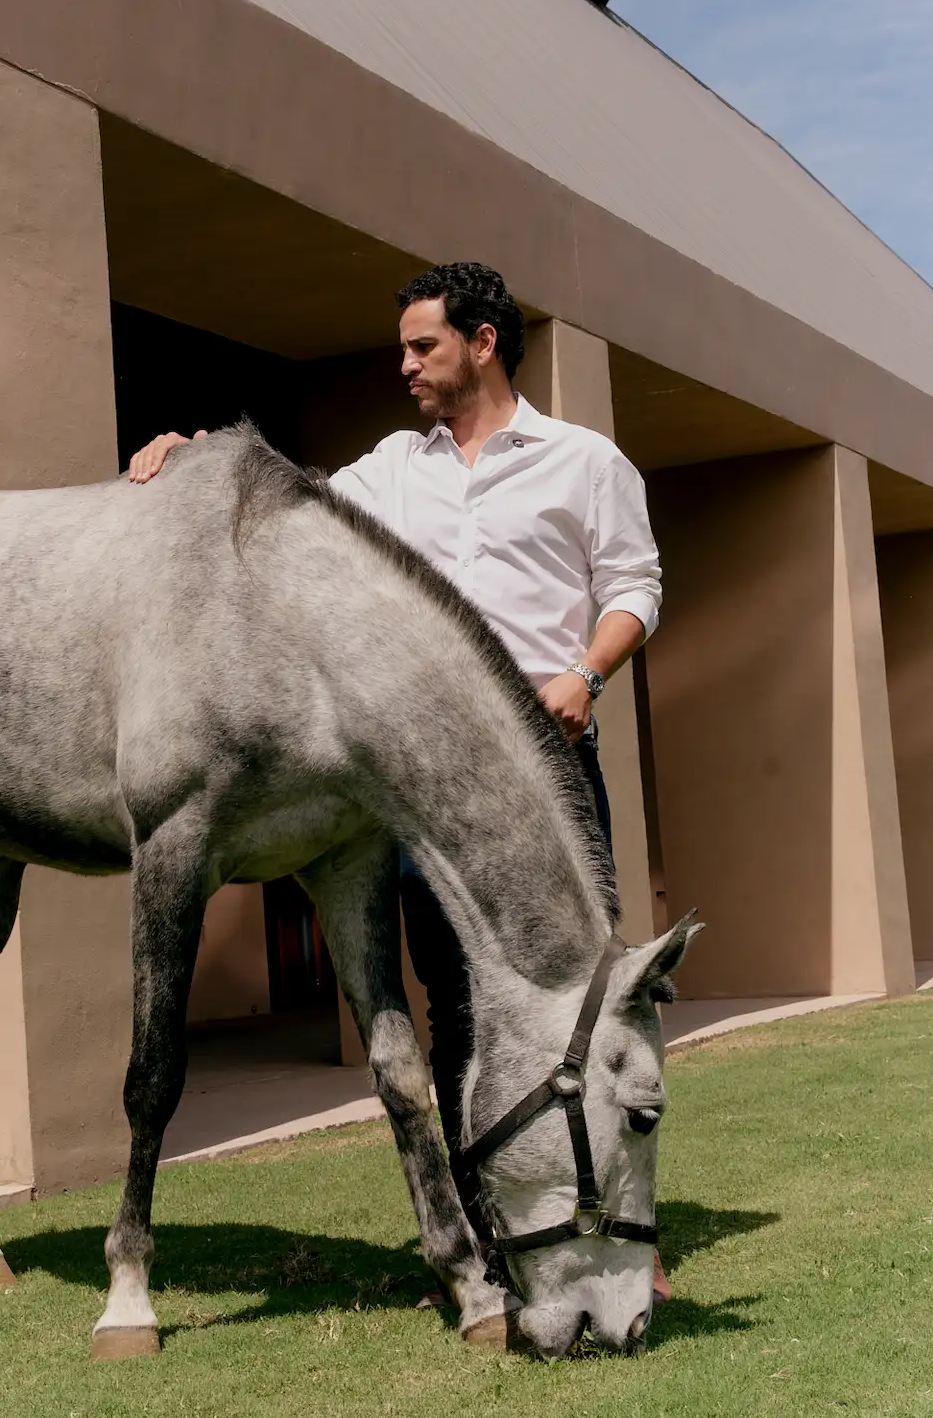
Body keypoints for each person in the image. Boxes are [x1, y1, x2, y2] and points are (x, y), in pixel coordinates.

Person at [128, 261, 667, 1295]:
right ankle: (488, 1241)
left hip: (546, 757)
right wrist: (195, 456)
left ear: (482, 341)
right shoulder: (393, 467)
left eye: (423, 345)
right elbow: (295, 509)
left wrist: (585, 671)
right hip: (425, 783)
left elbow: (635, 584)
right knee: (457, 1009)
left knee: (588, 1000)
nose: (405, 364)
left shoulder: (582, 461)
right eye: (405, 347)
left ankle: (625, 1224)